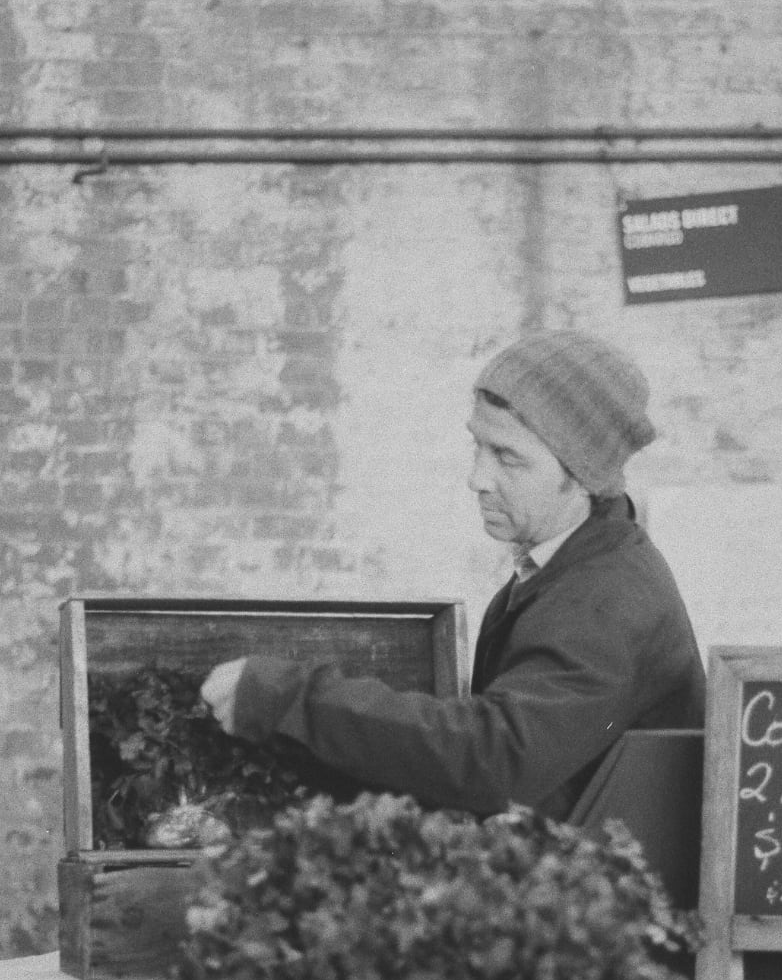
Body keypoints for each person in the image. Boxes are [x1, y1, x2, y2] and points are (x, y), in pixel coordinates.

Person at [200, 330, 705, 820]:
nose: (476, 479)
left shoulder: (606, 597)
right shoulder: (571, 565)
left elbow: (495, 757)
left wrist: (290, 699)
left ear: (582, 476)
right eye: (478, 447)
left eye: (507, 458)